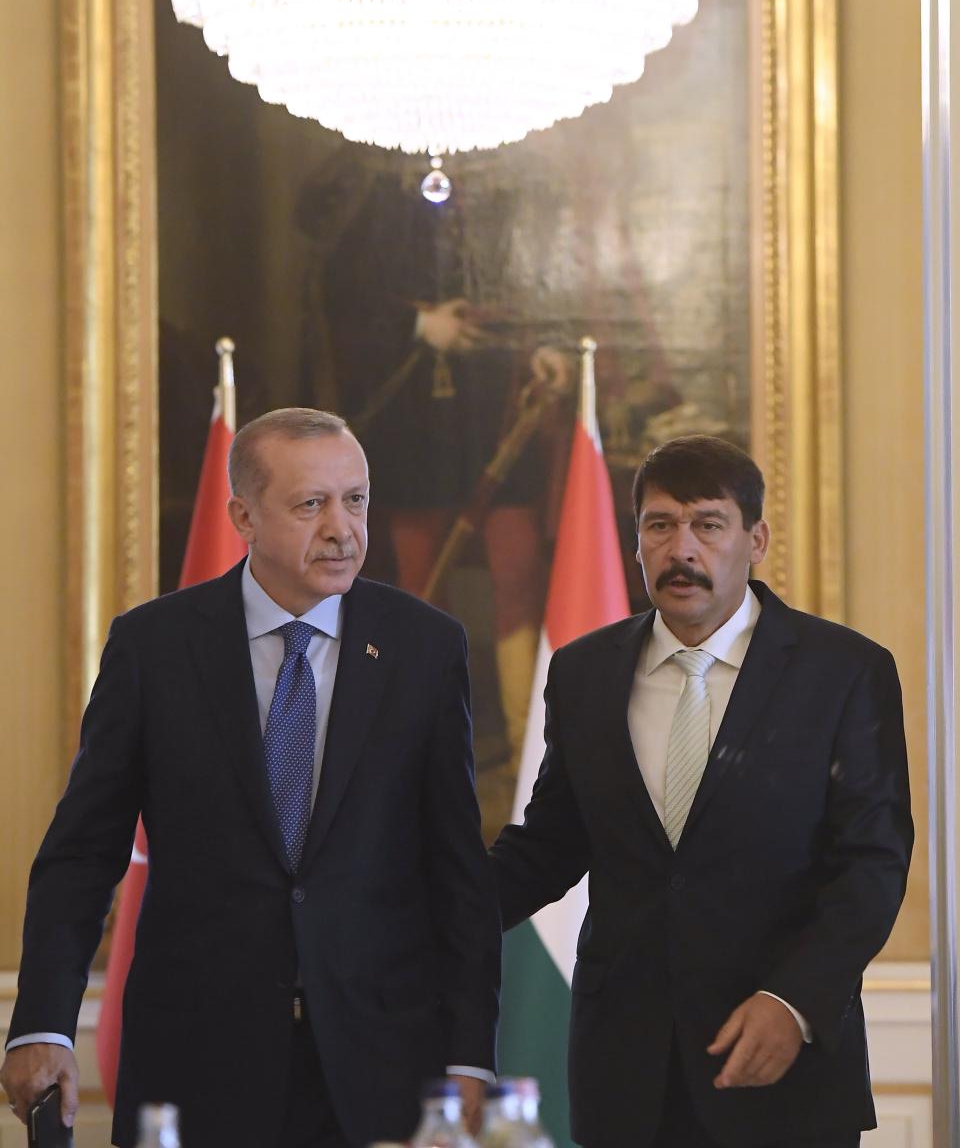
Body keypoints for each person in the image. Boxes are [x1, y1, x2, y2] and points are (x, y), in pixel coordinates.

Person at [1, 409, 501, 1148]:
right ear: (243, 515)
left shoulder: (424, 649)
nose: (342, 528)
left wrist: (470, 1056)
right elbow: (83, 851)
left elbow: (457, 871)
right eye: (311, 505)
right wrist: (43, 1020)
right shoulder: (154, 647)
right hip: (197, 1062)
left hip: (381, 1066)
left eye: (355, 500)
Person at [490, 435, 913, 1148]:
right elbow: (552, 846)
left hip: (780, 1064)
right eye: (659, 525)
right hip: (624, 1071)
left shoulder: (843, 672)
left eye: (707, 525)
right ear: (636, 544)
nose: (681, 548)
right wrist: (429, 911)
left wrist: (795, 1001)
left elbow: (872, 863)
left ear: (756, 539)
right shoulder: (583, 673)